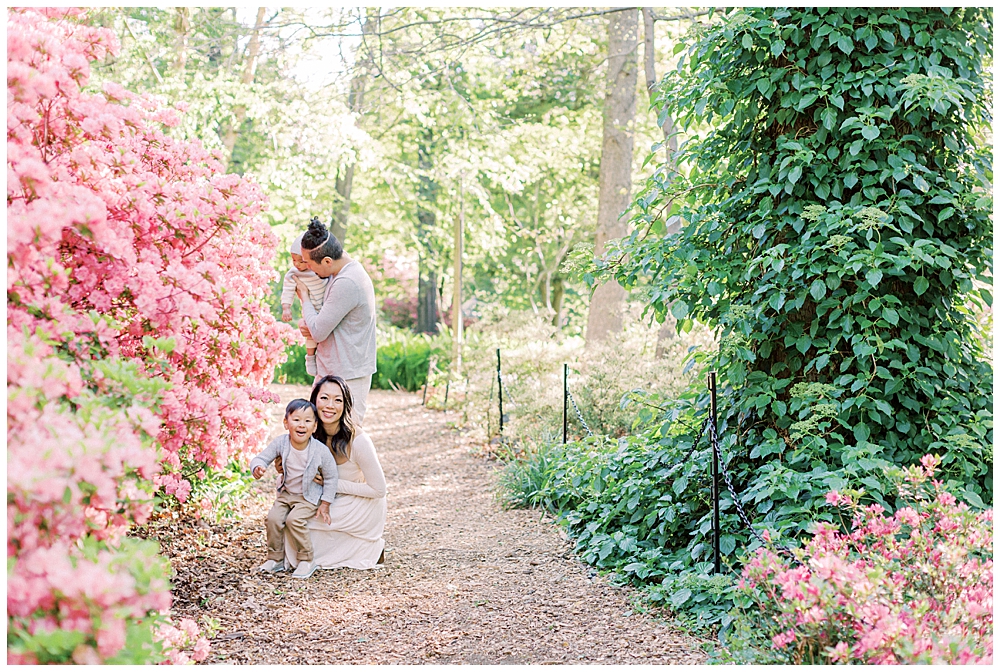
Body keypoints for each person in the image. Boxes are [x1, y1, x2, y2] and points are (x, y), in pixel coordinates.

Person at [281, 375, 387, 571]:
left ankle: (370, 551)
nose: (330, 405)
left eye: (337, 400)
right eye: (324, 398)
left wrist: (332, 484)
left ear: (345, 405)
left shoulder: (359, 440)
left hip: (357, 503)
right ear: (314, 401)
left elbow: (379, 490)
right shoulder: (308, 432)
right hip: (326, 498)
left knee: (310, 518)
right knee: (288, 510)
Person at [295, 217, 377, 424]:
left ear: (327, 261)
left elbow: (318, 331)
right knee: (323, 440)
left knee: (346, 440)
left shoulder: (347, 282)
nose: (308, 270)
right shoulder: (339, 274)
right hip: (334, 372)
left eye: (310, 265)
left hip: (347, 375)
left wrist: (304, 297)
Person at [250, 399, 339, 580]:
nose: (301, 425)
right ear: (286, 423)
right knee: (273, 519)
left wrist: (325, 503)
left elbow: (331, 477)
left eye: (307, 421)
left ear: (314, 427)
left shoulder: (320, 450)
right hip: (286, 494)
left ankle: (307, 559)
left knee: (294, 520)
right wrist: (257, 467)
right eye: (296, 419)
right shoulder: (281, 443)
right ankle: (275, 558)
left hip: (308, 497)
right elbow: (261, 457)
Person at [280, 234, 329, 376]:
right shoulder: (293, 274)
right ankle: (310, 358)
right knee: (310, 335)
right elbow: (288, 290)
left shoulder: (317, 270)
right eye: (293, 260)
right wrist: (286, 307)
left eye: (301, 261)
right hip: (310, 308)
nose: (297, 264)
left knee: (323, 334)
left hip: (326, 306)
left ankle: (320, 358)